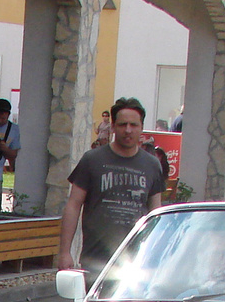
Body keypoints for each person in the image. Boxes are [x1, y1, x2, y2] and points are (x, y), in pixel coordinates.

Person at [58, 97, 167, 276]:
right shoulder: (92, 160)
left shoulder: (152, 165)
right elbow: (73, 205)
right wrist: (64, 252)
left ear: (141, 128)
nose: (128, 130)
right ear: (114, 126)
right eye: (123, 124)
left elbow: (156, 212)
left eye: (134, 125)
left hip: (137, 259)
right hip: (96, 259)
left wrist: (156, 254)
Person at [0, 98, 20, 193]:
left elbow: (13, 156)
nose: (0, 121)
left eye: (3, 119)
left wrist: (4, 148)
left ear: (8, 115)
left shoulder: (13, 129)